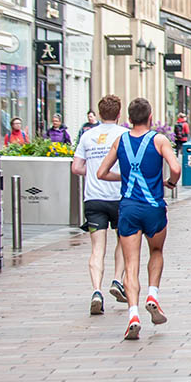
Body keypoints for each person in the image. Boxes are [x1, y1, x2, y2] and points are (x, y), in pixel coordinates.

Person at [97, 98, 181, 340]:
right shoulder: (159, 140)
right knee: (156, 252)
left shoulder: (120, 140)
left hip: (129, 208)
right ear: (150, 116)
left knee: (130, 264)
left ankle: (133, 314)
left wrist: (124, 178)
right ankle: (153, 295)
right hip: (154, 207)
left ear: (129, 118)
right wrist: (171, 184)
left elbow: (101, 173)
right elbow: (175, 168)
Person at [71, 96, 128, 315]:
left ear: (99, 112)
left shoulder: (88, 135)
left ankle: (96, 290)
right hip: (119, 198)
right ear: (119, 113)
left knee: (97, 248)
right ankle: (117, 280)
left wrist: (94, 171)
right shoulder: (123, 135)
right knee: (123, 241)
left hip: (93, 199)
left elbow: (76, 168)